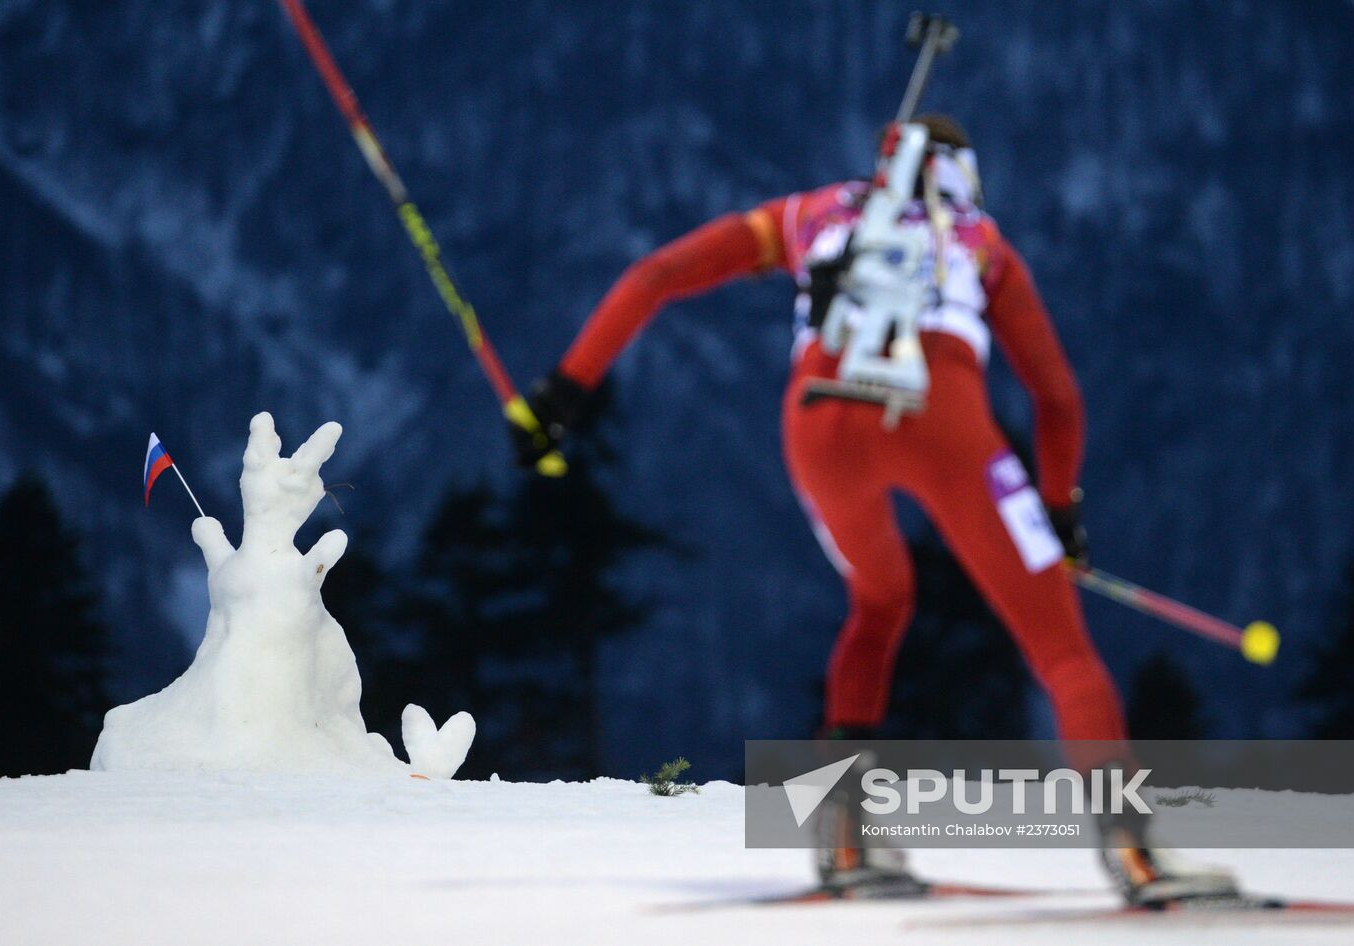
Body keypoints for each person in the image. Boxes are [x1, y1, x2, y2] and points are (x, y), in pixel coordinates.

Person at [510, 114, 1235, 905]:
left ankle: (845, 841)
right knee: (1059, 646)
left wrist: (562, 393)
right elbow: (1057, 400)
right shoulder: (984, 243)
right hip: (941, 415)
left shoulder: (806, 213)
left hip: (818, 418)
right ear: (964, 173)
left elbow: (656, 275)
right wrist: (1058, 515)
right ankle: (1135, 854)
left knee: (880, 600)